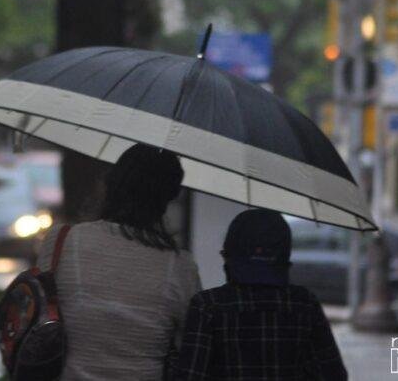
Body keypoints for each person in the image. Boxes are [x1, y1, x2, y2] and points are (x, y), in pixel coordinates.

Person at [37, 143, 201, 380]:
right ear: (169, 197)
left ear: (111, 183)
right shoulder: (181, 266)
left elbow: (37, 318)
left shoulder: (63, 241)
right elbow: (190, 343)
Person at [174, 209, 347, 381]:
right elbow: (333, 374)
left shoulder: (207, 306)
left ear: (228, 257)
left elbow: (190, 376)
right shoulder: (305, 304)